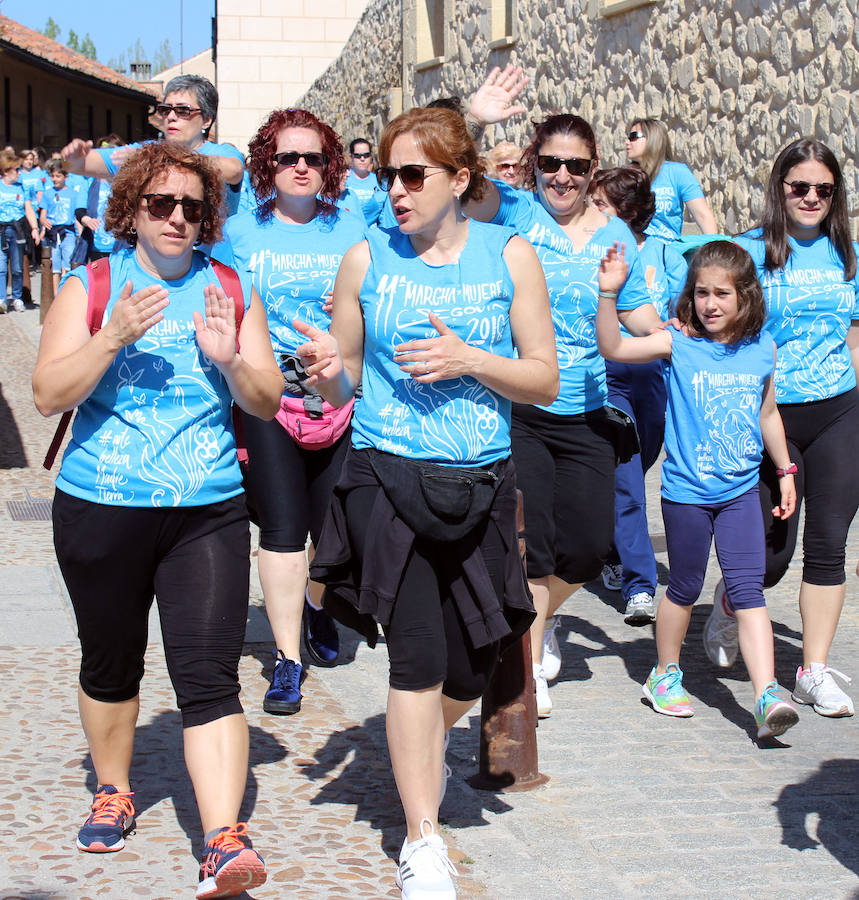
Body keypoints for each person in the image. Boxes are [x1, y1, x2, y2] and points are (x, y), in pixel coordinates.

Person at [295, 106, 558, 900]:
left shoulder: (507, 257)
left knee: (473, 667)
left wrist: (470, 358)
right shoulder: (365, 258)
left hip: (479, 482)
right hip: (386, 478)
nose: (399, 191)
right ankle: (422, 840)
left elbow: (543, 378)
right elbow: (341, 373)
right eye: (389, 177)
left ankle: (419, 747)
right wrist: (322, 370)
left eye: (415, 175)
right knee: (412, 662)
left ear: (460, 180)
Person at [32, 142, 283, 898]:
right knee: (111, 663)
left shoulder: (230, 287)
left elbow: (267, 400)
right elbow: (47, 393)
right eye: (160, 204)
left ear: (209, 217)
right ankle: (114, 787)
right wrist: (111, 338)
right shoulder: (93, 284)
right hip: (101, 507)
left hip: (204, 507)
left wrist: (232, 359)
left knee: (208, 676)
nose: (177, 218)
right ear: (132, 209)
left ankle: (222, 838)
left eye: (192, 208)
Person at [465, 112, 659, 718]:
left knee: (587, 546)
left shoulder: (617, 237)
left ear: (592, 167)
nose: (563, 177)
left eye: (576, 165)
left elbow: (639, 317)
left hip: (589, 408)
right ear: (534, 165)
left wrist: (689, 334)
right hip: (520, 404)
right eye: (550, 163)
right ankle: (523, 659)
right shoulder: (514, 214)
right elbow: (459, 179)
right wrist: (473, 121)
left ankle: (536, 622)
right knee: (537, 545)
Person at [596, 240, 800, 740]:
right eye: (702, 292)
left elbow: (768, 413)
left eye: (722, 294)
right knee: (684, 587)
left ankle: (766, 692)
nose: (710, 304)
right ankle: (664, 674)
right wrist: (608, 295)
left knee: (749, 590)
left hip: (740, 492)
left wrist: (786, 470)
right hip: (686, 494)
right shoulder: (678, 344)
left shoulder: (761, 350)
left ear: (745, 297)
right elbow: (615, 348)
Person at [218, 108, 366, 715]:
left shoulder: (353, 225)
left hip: (338, 393)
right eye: (287, 157)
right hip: (269, 393)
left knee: (334, 532)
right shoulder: (239, 231)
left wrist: (354, 296)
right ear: (267, 165)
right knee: (281, 530)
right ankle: (287, 659)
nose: (300, 167)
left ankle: (316, 605)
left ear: (329, 165)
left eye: (312, 158)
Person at [706, 139, 859, 718]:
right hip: (769, 415)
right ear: (780, 189)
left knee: (829, 546)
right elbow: (712, 319)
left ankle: (813, 671)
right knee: (770, 556)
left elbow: (855, 336)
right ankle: (729, 603)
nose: (812, 198)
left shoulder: (850, 257)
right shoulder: (749, 254)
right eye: (800, 187)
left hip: (840, 411)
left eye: (825, 189)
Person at [589, 166, 688, 623]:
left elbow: (684, 309)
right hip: (607, 373)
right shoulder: (591, 250)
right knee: (628, 479)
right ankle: (640, 586)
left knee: (635, 465)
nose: (592, 213)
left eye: (601, 205)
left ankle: (608, 542)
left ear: (627, 213)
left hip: (654, 376)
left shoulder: (667, 254)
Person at [61, 75, 245, 216]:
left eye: (183, 110)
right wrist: (72, 157)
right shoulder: (144, 150)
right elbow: (79, 165)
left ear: (206, 120)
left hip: (210, 263)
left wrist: (154, 158)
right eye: (166, 110)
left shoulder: (222, 152)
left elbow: (234, 170)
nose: (171, 117)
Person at [625, 118, 718, 242]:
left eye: (633, 136)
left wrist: (713, 251)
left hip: (668, 252)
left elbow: (703, 215)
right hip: (634, 251)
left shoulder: (677, 173)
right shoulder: (625, 176)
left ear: (652, 138)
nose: (627, 142)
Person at [0, 151, 40, 313]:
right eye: (16, 169)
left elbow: (29, 209)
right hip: (1, 229)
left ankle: (17, 297)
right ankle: (2, 299)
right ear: (6, 171)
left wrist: (35, 229)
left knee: (17, 267)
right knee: (1, 267)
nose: (19, 172)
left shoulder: (22, 188)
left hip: (17, 231)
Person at [39, 159, 81, 292]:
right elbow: (42, 215)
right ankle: (56, 294)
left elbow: (76, 216)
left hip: (68, 232)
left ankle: (67, 292)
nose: (55, 179)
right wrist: (43, 222)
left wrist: (79, 233)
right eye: (52, 176)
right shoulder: (47, 193)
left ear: (65, 176)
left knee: (69, 262)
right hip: (52, 232)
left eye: (58, 176)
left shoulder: (73, 194)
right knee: (54, 266)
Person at [345, 137, 386, 226]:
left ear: (371, 156)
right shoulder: (344, 180)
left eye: (366, 155)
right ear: (351, 157)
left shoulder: (378, 181)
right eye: (358, 155)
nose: (362, 159)